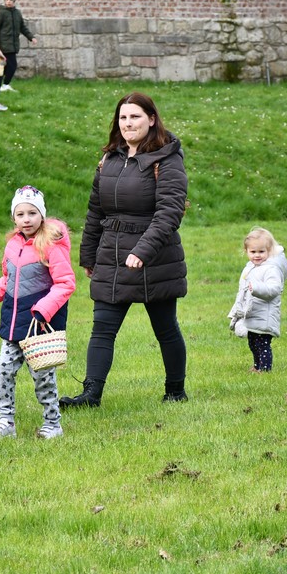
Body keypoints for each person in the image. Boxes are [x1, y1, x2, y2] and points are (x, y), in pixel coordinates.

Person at [60, 92, 189, 408]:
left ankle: (175, 391)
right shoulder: (109, 159)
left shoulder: (167, 159)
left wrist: (143, 251)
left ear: (151, 119)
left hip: (154, 258)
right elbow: (95, 211)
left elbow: (170, 211)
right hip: (111, 255)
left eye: (135, 116)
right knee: (102, 328)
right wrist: (88, 254)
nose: (128, 123)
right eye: (123, 117)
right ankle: (91, 395)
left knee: (165, 328)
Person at [0, 186, 75, 440]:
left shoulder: (51, 245)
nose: (27, 219)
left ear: (42, 215)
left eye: (32, 213)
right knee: (4, 369)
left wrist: (43, 310)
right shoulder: (12, 245)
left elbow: (65, 283)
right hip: (13, 322)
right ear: (14, 218)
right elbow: (7, 280)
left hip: (39, 326)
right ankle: (5, 421)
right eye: (20, 214)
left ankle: (53, 423)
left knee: (42, 375)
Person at [228, 227, 287, 373]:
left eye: (261, 252)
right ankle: (257, 366)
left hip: (264, 314)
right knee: (253, 343)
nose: (257, 255)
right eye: (253, 252)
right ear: (246, 251)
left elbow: (274, 289)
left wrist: (256, 287)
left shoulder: (271, 269)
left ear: (269, 251)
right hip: (252, 313)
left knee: (263, 344)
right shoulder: (250, 267)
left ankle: (265, 369)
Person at [0, 0, 36, 94]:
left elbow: (22, 27)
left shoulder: (17, 13)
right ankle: (5, 84)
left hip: (14, 44)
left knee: (8, 65)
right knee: (13, 65)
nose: (8, 1)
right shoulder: (2, 13)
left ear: (14, 0)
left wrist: (31, 37)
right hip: (5, 44)